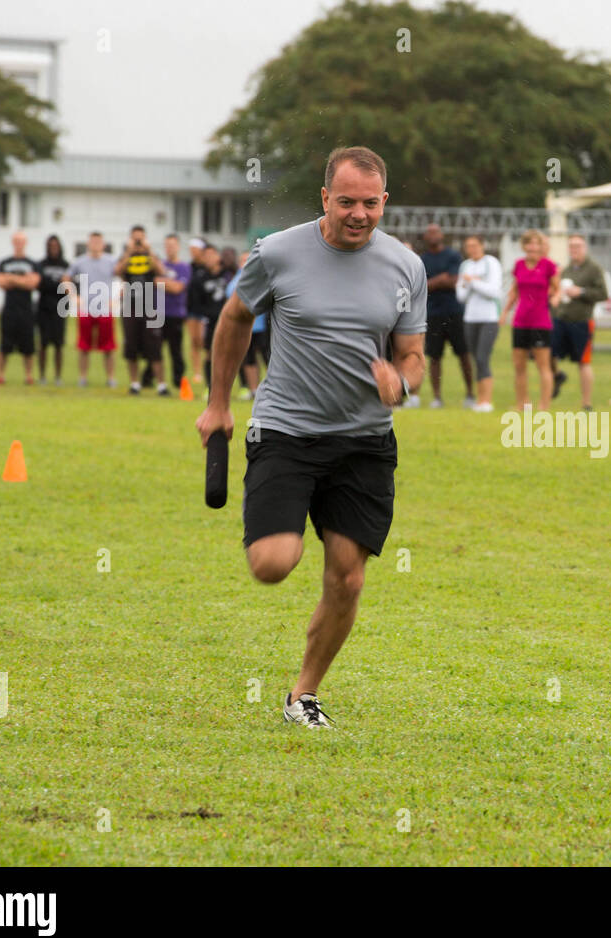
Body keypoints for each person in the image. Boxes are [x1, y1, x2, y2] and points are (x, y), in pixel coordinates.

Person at [195, 145, 426, 730]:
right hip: (287, 431)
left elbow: (414, 356)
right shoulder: (277, 254)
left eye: (370, 203)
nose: (359, 214)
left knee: (347, 575)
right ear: (325, 198)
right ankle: (283, 524)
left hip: (365, 440)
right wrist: (218, 403)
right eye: (346, 201)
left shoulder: (406, 266)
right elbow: (234, 320)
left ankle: (304, 693)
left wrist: (400, 381)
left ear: (384, 202)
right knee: (273, 563)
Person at [501, 229, 559, 411]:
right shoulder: (518, 265)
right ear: (524, 246)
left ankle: (544, 405)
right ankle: (522, 404)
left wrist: (555, 299)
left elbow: (557, 289)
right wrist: (504, 312)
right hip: (520, 321)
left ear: (541, 246)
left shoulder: (548, 265)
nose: (533, 247)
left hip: (541, 321)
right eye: (529, 243)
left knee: (543, 366)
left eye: (536, 244)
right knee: (519, 366)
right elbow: (515, 291)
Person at [551, 234, 607, 410]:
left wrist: (581, 292)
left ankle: (586, 403)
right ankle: (557, 376)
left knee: (583, 362)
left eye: (578, 246)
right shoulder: (565, 270)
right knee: (548, 354)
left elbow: (603, 294)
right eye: (572, 246)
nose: (574, 250)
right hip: (561, 319)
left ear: (585, 248)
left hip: (581, 321)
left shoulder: (594, 269)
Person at [419, 223, 473, 408]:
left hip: (454, 312)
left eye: (436, 232)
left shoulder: (453, 256)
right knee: (434, 356)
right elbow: (421, 286)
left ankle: (470, 394)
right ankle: (437, 397)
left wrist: (434, 282)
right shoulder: (422, 259)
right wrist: (441, 279)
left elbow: (454, 281)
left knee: (463, 354)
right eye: (429, 232)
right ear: (425, 237)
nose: (433, 235)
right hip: (432, 313)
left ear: (442, 235)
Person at [115, 225, 169, 395]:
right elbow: (117, 271)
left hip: (149, 306)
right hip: (130, 306)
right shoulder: (126, 256)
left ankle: (161, 385)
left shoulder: (151, 256)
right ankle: (135, 383)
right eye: (135, 238)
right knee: (131, 345)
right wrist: (129, 252)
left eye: (140, 238)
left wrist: (149, 251)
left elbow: (162, 271)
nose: (138, 241)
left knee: (154, 346)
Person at [455, 234, 503, 413]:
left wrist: (472, 282)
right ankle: (479, 399)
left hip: (489, 318)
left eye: (475, 245)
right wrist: (471, 284)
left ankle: (486, 400)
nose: (472, 249)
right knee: (476, 358)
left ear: (482, 245)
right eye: (468, 246)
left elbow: (493, 291)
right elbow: (460, 295)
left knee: (483, 357)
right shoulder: (465, 266)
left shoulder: (491, 263)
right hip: (470, 318)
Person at [64, 231, 118, 387]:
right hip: (86, 309)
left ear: (103, 244)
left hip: (105, 310)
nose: (95, 244)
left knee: (108, 347)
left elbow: (124, 278)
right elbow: (66, 279)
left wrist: (115, 299)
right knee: (84, 346)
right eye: (93, 241)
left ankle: (111, 378)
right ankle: (82, 377)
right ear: (88, 243)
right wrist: (74, 296)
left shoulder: (111, 261)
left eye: (98, 241)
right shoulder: (80, 262)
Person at [0, 231, 40, 385]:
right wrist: (23, 279)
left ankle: (28, 375)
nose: (19, 243)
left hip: (26, 310)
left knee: (28, 346)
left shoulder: (33, 264)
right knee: (4, 345)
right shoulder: (4, 262)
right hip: (9, 309)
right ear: (13, 242)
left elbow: (32, 284)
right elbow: (0, 282)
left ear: (25, 243)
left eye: (22, 241)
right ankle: (1, 375)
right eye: (16, 241)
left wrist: (11, 278)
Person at [225, 250, 265, 397]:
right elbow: (230, 292)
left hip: (262, 327)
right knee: (249, 360)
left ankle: (270, 390)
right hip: (246, 328)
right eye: (243, 260)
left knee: (268, 359)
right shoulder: (238, 278)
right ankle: (253, 389)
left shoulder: (262, 275)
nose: (246, 262)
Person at [153, 233, 190, 389]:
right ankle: (150, 378)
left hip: (176, 314)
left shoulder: (184, 267)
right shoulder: (159, 265)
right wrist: (168, 283)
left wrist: (163, 283)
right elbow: (154, 282)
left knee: (175, 350)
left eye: (172, 245)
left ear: (178, 247)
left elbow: (178, 288)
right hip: (158, 313)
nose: (170, 249)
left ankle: (178, 380)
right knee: (154, 348)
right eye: (167, 246)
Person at [35, 235, 70, 385]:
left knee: (58, 344)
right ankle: (42, 376)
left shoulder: (66, 265)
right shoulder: (41, 264)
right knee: (43, 344)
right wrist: (59, 285)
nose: (54, 248)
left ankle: (58, 377)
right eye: (51, 245)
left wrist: (58, 285)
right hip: (44, 309)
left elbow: (71, 286)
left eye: (56, 245)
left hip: (60, 308)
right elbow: (39, 285)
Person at [196, 242, 231, 392]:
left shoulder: (228, 275)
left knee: (232, 354)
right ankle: (209, 388)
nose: (209, 258)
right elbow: (197, 303)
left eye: (211, 255)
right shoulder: (200, 278)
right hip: (211, 322)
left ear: (218, 256)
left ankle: (240, 386)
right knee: (211, 354)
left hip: (229, 320)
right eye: (206, 256)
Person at [185, 237, 209, 383]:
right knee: (194, 340)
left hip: (205, 309)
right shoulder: (190, 267)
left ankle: (207, 367)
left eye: (195, 250)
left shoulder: (207, 267)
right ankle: (197, 372)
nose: (193, 253)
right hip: (191, 308)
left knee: (203, 340)